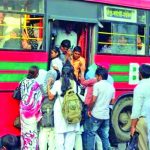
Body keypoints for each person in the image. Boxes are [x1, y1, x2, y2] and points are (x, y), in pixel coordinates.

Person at [48, 62, 80, 150]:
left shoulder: (58, 83)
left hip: (60, 111)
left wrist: (48, 85)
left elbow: (51, 96)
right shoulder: (74, 83)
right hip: (72, 111)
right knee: (70, 139)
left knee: (59, 138)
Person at [84, 67, 115, 150]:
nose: (96, 78)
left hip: (96, 114)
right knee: (105, 136)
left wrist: (89, 110)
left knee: (91, 134)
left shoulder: (97, 85)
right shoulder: (111, 87)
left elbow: (93, 100)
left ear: (100, 76)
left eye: (96, 76)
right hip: (106, 115)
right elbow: (112, 102)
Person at [20, 66, 43, 149]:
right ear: (36, 74)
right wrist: (39, 115)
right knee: (31, 132)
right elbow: (39, 100)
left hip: (23, 111)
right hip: (31, 113)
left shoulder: (22, 81)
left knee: (24, 132)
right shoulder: (35, 84)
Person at [130, 64, 150, 150]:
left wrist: (133, 126)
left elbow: (136, 110)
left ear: (140, 74)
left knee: (143, 147)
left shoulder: (139, 87)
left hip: (144, 120)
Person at [39, 69, 58, 150]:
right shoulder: (57, 88)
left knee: (43, 143)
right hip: (52, 122)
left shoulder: (41, 88)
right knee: (51, 144)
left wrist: (48, 85)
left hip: (44, 122)